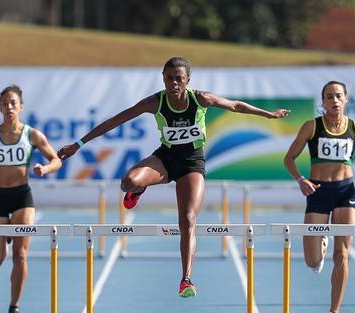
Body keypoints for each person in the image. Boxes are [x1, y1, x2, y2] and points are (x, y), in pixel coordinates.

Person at [57, 56, 290, 298]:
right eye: (169, 78)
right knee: (128, 182)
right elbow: (115, 121)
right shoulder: (155, 102)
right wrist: (78, 144)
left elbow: (236, 106)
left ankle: (186, 279)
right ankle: (138, 190)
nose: (174, 83)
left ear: (188, 80)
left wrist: (269, 115)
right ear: (163, 79)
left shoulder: (201, 98)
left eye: (179, 79)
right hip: (165, 159)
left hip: (192, 163)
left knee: (188, 219)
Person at [283, 81, 355, 313]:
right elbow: (288, 158)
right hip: (318, 192)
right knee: (312, 261)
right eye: (329, 97)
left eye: (338, 96)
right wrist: (301, 180)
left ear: (346, 99)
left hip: (346, 192)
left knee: (343, 253)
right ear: (322, 101)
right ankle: (319, 244)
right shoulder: (312, 127)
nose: (334, 100)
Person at [0, 85, 62, 313]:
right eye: (4, 103)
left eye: (13, 103)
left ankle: (15, 305)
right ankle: (6, 236)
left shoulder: (32, 135)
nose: (9, 107)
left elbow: (56, 160)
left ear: (21, 106)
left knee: (20, 256)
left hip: (22, 197)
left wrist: (45, 168)